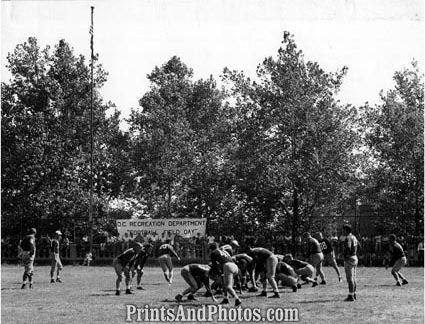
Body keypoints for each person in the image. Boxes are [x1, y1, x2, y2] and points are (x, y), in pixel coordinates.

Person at [342, 224, 358, 301]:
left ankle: (351, 295)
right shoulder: (354, 237)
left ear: (346, 230)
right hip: (355, 257)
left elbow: (348, 247)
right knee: (354, 278)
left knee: (350, 278)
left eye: (343, 230)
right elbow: (359, 246)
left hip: (350, 258)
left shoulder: (348, 238)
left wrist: (346, 256)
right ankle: (354, 293)